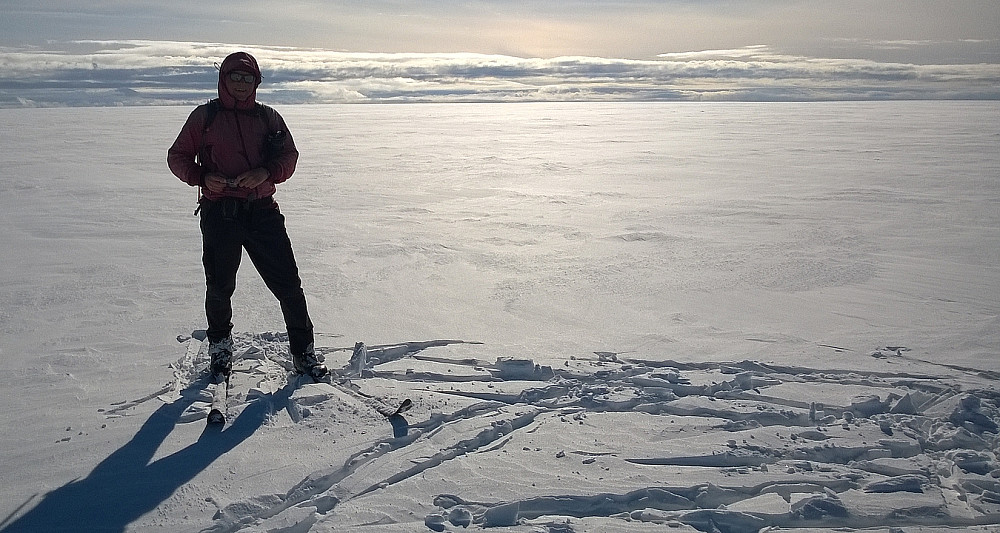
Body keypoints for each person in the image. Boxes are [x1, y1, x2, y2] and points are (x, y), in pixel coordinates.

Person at [167, 51, 327, 379]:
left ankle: (304, 352)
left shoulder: (268, 118)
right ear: (223, 80)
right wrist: (201, 178)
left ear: (257, 82)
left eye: (248, 78)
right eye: (235, 77)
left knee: (288, 285)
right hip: (220, 214)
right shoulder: (205, 117)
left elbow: (289, 156)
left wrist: (265, 172)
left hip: (262, 212)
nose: (241, 83)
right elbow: (177, 156)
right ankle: (221, 349)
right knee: (220, 286)